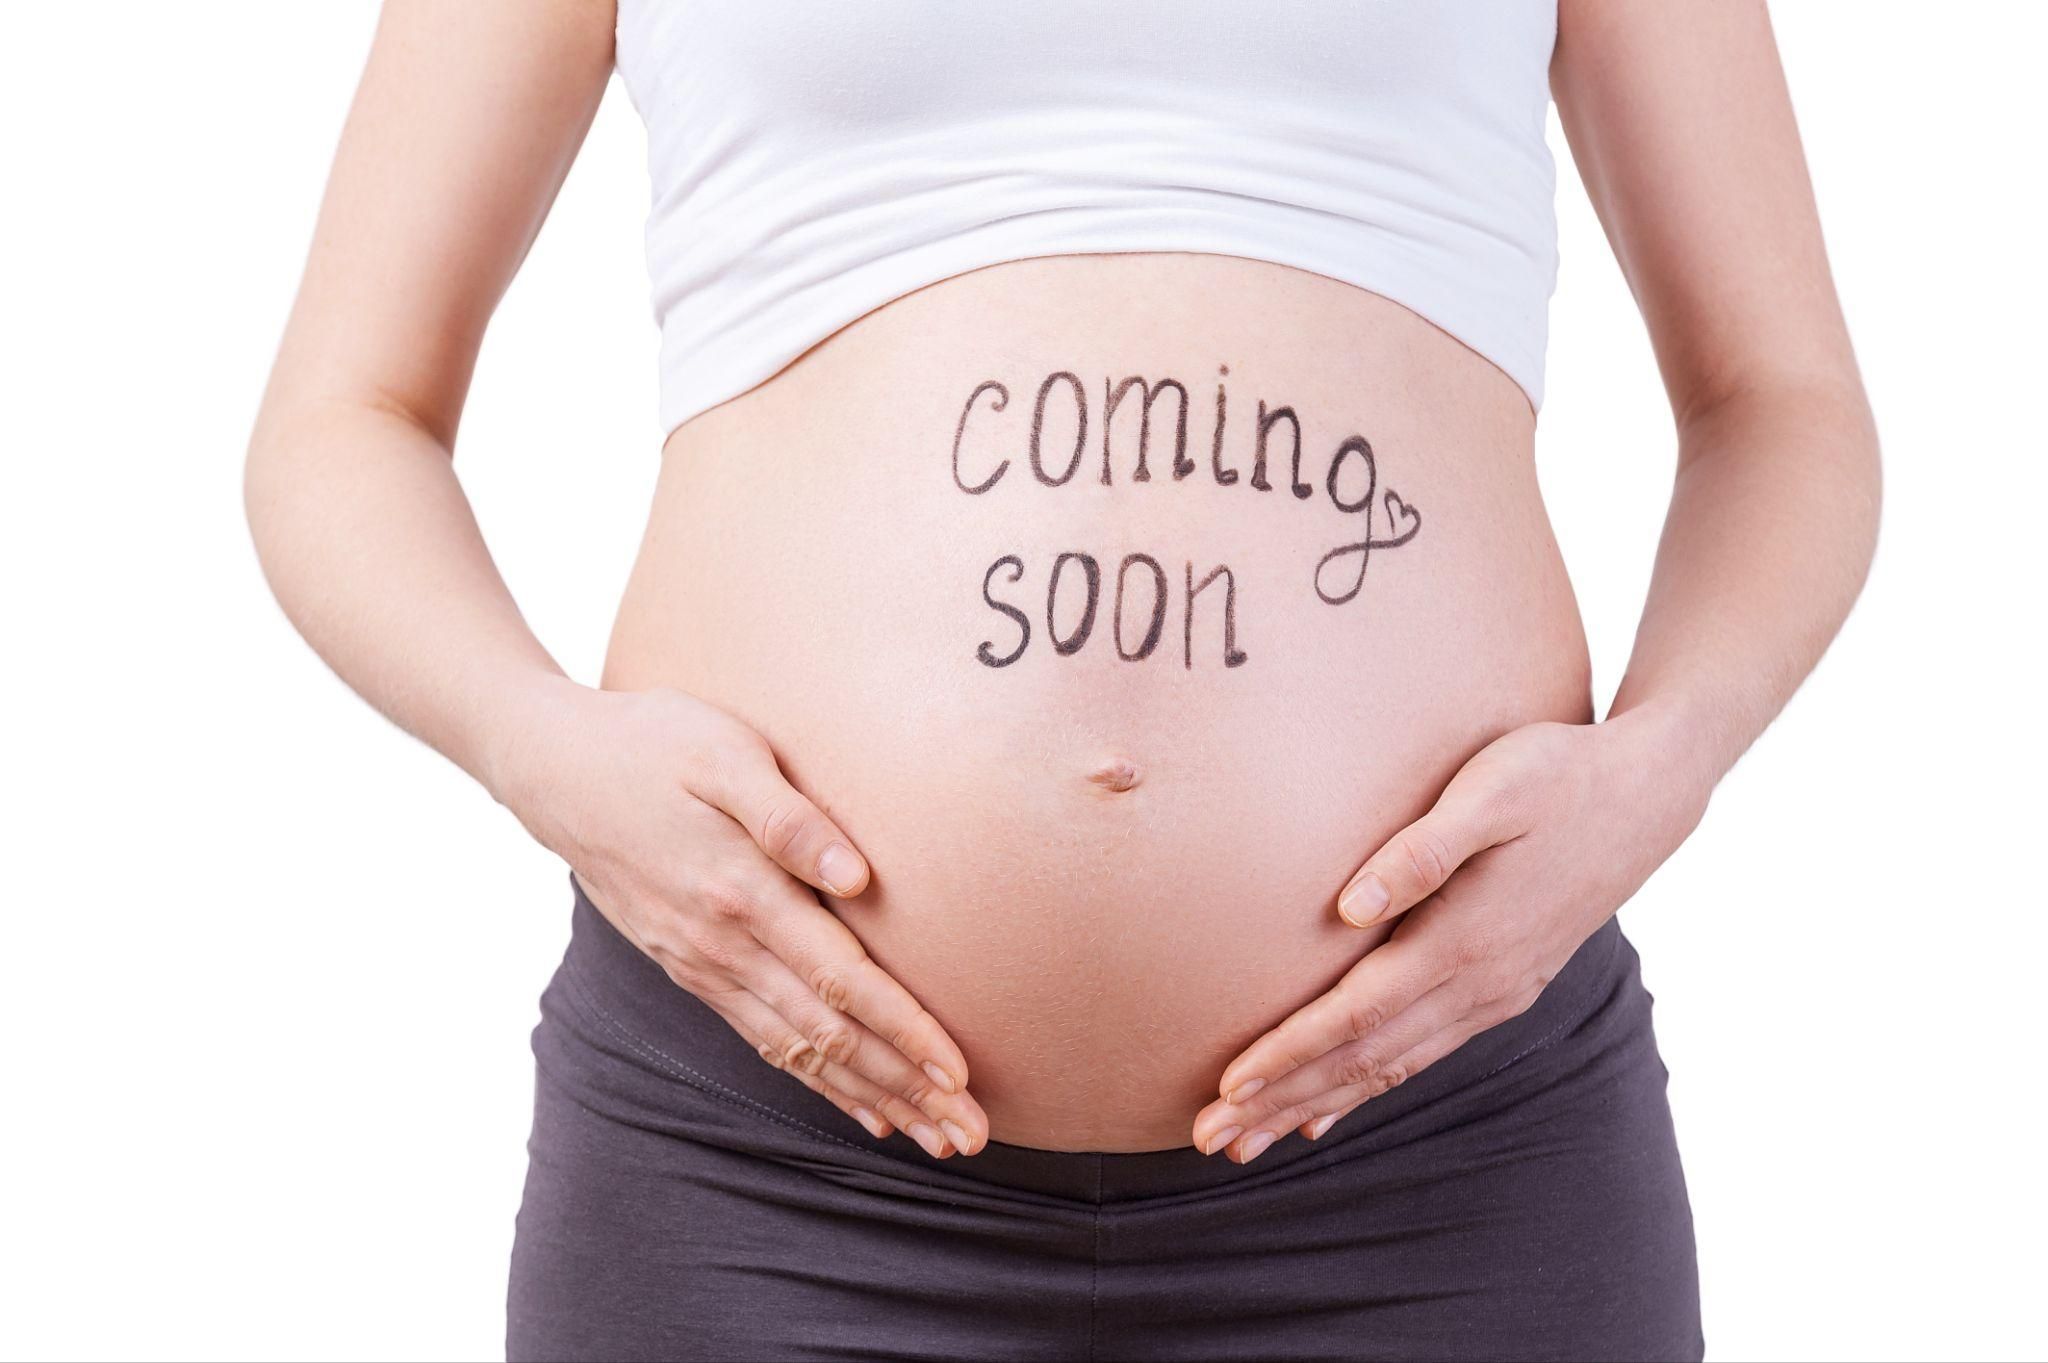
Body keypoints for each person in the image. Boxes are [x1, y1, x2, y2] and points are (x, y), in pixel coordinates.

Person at [245, 1, 1879, 1358]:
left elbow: (1777, 398)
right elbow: (346, 415)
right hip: (764, 1160)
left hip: (1440, 1161)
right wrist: (535, 745)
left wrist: (1664, 765)